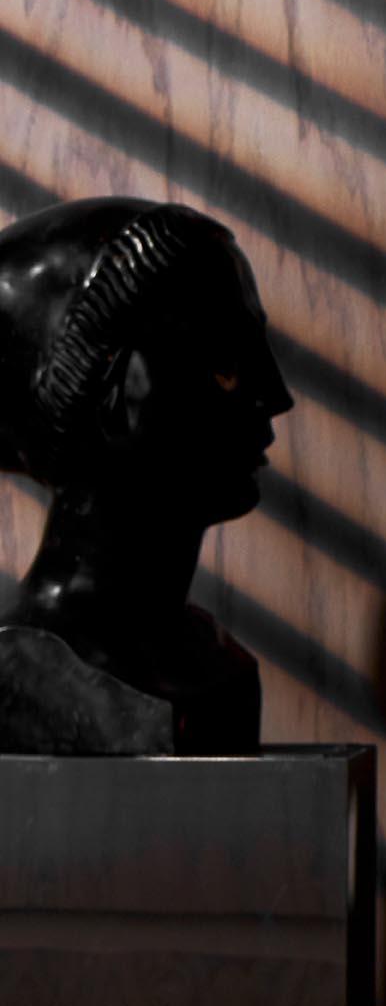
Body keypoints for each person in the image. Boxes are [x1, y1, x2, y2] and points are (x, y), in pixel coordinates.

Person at [0, 197, 293, 754]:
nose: (276, 397)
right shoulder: (32, 678)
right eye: (225, 363)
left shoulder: (211, 664)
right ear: (108, 396)